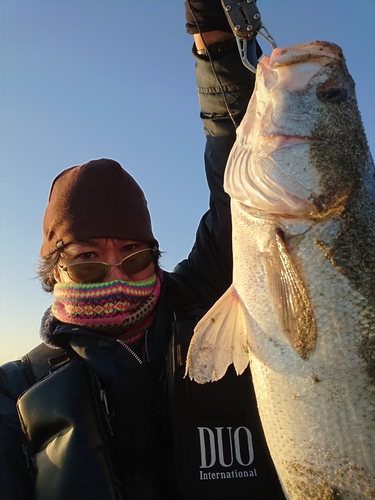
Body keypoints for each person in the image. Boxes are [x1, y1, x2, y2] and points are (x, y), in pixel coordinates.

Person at [0, 2, 285, 499]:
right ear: (54, 270)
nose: (117, 272)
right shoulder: (13, 392)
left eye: (133, 255)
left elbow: (238, 184)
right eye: (88, 259)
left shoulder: (202, 301)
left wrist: (214, 42)